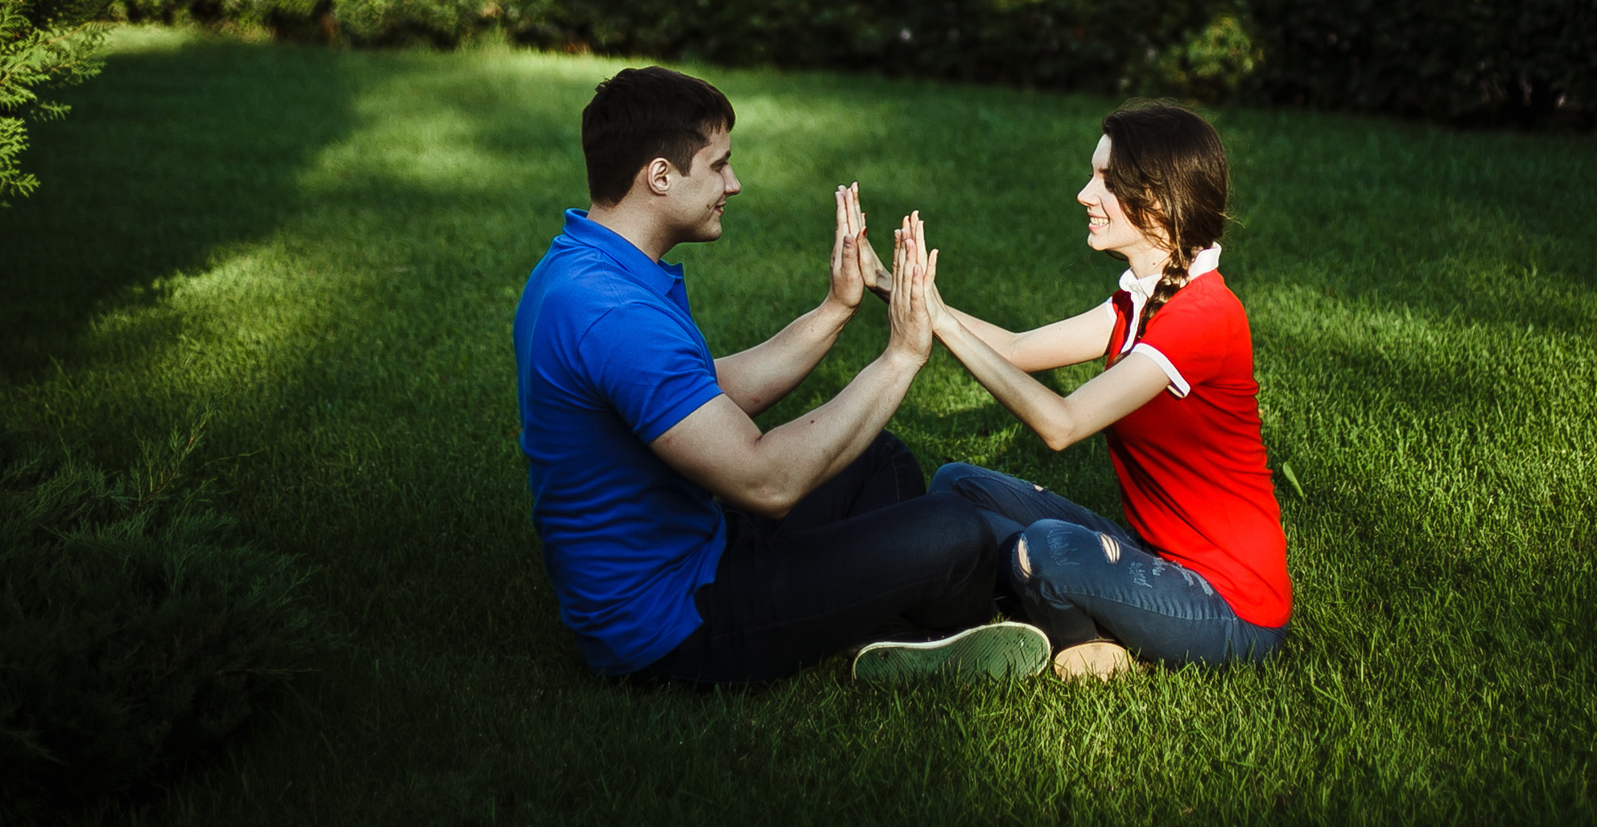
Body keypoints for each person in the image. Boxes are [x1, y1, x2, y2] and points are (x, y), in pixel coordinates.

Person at [511, 65, 1050, 685]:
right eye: (717, 165)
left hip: (703, 551)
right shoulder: (613, 313)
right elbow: (767, 485)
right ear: (659, 176)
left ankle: (887, 626)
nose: (733, 184)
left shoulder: (585, 266)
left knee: (878, 460)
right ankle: (950, 632)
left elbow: (706, 392)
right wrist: (901, 355)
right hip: (675, 626)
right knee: (957, 531)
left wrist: (836, 310)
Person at [914, 102, 1292, 679]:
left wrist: (941, 325)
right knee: (959, 486)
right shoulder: (1140, 301)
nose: (1085, 194)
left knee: (1048, 549)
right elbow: (1015, 350)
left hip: (1231, 608)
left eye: (1106, 182)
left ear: (1159, 201)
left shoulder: (1205, 315)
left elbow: (1062, 425)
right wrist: (900, 288)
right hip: (1153, 557)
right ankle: (997, 614)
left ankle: (1083, 650)